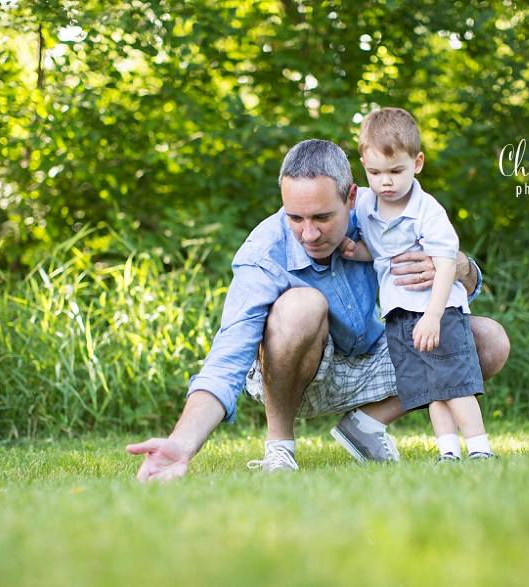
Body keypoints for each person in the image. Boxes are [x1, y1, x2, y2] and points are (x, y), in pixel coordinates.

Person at [126, 139, 509, 481]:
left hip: (372, 361)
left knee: (487, 340)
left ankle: (366, 425)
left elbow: (454, 287)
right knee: (302, 304)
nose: (309, 234)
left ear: (351, 198)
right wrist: (181, 444)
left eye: (323, 218)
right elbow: (226, 358)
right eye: (296, 218)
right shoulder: (263, 253)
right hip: (295, 372)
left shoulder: (384, 219)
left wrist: (461, 267)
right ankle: (279, 445)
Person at [341, 108, 493, 461]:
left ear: (417, 163)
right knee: (431, 389)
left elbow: (446, 265)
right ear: (363, 163)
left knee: (456, 384)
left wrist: (433, 316)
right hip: (400, 314)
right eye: (374, 172)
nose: (386, 182)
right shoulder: (365, 202)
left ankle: (480, 450)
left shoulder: (428, 211)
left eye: (396, 171)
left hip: (438, 311)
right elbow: (382, 253)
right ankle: (448, 453)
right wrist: (357, 250)